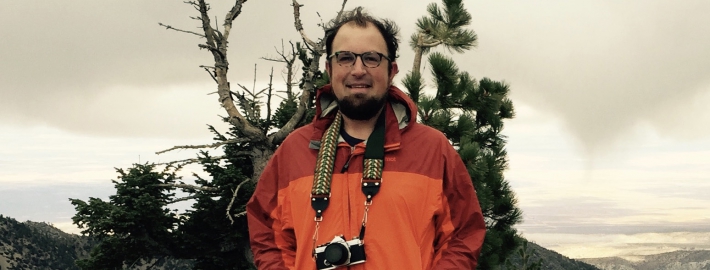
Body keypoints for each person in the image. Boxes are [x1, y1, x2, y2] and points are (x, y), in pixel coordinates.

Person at [247, 7, 485, 270]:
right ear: (329, 68)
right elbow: (267, 233)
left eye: (371, 58)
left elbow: (462, 236)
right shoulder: (294, 150)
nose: (358, 70)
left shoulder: (433, 149)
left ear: (391, 70)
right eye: (345, 58)